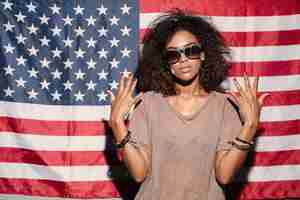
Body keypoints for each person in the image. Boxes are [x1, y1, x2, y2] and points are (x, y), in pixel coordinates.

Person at [108, 9, 269, 200]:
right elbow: (139, 173)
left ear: (203, 54)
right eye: (173, 55)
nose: (183, 59)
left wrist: (249, 127)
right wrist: (117, 125)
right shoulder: (148, 104)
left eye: (191, 51)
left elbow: (224, 176)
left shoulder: (224, 106)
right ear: (166, 63)